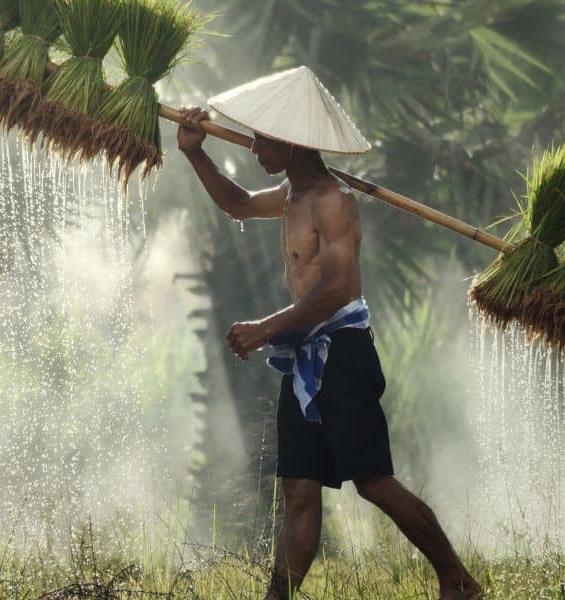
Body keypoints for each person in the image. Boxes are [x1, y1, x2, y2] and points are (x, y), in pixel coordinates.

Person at [175, 66, 483, 600]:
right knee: (299, 489)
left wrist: (265, 328)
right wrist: (194, 153)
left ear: (293, 142)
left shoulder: (332, 201)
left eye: (263, 138)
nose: (253, 147)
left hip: (341, 351)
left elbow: (336, 289)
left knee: (373, 483)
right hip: (304, 357)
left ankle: (456, 579)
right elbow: (238, 203)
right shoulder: (291, 195)